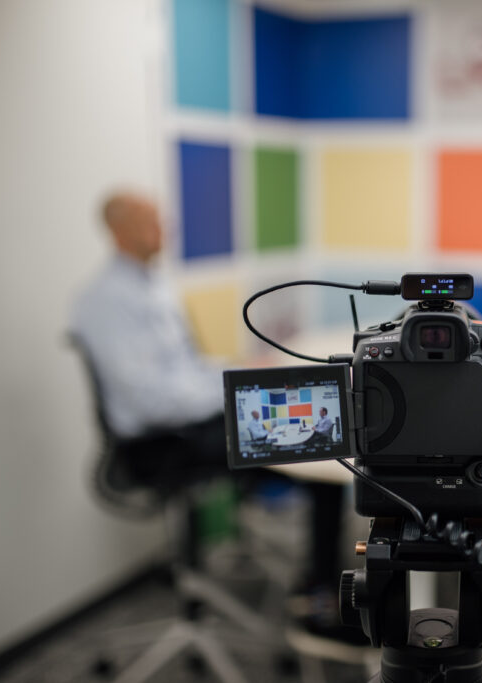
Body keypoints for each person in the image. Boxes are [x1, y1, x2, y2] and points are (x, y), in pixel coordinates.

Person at [71, 191, 354, 638]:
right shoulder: (104, 301)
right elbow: (152, 401)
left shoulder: (152, 284)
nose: (163, 230)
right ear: (118, 230)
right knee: (315, 450)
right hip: (160, 443)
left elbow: (183, 371)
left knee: (317, 435)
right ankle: (319, 606)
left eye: (162, 221)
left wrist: (243, 371)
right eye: (151, 223)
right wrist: (233, 393)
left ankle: (320, 584)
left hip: (191, 422)